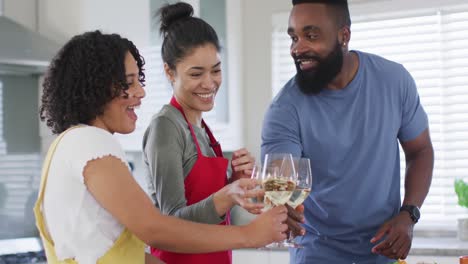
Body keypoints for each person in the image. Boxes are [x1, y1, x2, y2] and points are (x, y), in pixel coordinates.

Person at [35, 30, 289, 264]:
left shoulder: (67, 144)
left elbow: (126, 253)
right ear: (96, 86)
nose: (142, 92)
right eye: (129, 82)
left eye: (139, 80)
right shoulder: (91, 142)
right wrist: (248, 235)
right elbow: (155, 229)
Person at [261, 0, 434, 263]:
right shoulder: (284, 108)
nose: (298, 48)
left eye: (311, 35)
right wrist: (281, 208)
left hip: (383, 250)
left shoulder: (394, 81)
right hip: (315, 253)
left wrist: (409, 214)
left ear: (344, 36)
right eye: (294, 37)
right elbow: (280, 185)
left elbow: (420, 150)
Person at [142, 2, 292, 263]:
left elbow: (210, 210)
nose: (210, 83)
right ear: (169, 72)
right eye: (196, 73)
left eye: (216, 70)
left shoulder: (204, 129)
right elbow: (170, 223)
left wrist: (235, 181)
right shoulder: (166, 126)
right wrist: (226, 196)